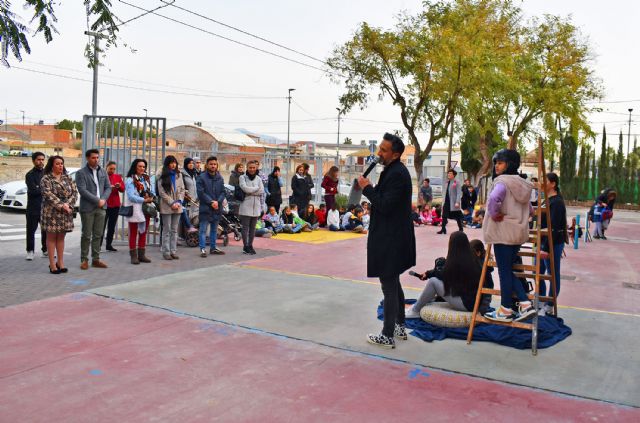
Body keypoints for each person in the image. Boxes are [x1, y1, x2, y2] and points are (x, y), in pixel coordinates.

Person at [357, 133, 416, 349]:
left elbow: (385, 205)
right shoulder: (392, 171)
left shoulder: (397, 174)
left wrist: (367, 188)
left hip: (391, 238)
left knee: (388, 285)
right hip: (393, 236)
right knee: (393, 281)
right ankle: (400, 324)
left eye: (383, 150)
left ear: (396, 154)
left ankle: (387, 334)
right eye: (379, 148)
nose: (379, 153)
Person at [483, 149, 536, 323]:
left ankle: (511, 307)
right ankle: (520, 305)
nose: (497, 166)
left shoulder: (502, 182)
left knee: (504, 272)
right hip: (518, 233)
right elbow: (531, 210)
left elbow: (493, 200)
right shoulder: (523, 184)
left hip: (503, 232)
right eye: (496, 162)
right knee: (508, 270)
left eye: (500, 162)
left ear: (509, 164)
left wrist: (494, 213)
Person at [405, 232, 492, 318]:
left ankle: (415, 310)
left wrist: (429, 274)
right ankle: (420, 305)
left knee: (433, 282)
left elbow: (443, 274)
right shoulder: (471, 259)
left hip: (467, 305)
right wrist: (429, 273)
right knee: (438, 281)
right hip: (474, 303)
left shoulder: (459, 261)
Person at [40, 156, 77, 274]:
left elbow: (75, 192)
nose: (60, 166)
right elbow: (48, 194)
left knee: (61, 237)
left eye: (62, 163)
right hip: (51, 212)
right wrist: (61, 205)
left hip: (65, 212)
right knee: (51, 238)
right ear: (52, 165)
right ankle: (52, 264)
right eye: (57, 164)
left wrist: (68, 205)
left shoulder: (68, 177)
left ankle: (60, 262)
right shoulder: (46, 179)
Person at [76, 149, 111, 270]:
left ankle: (96, 259)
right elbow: (82, 190)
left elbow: (108, 187)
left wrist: (104, 199)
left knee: (98, 234)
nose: (96, 160)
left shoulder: (103, 172)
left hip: (101, 207)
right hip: (88, 208)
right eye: (93, 158)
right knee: (86, 235)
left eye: (97, 158)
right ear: (87, 158)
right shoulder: (81, 173)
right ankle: (84, 260)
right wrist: (97, 200)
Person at [538, 173, 567, 314]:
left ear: (553, 184)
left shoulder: (557, 202)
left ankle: (550, 304)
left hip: (552, 243)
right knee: (538, 272)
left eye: (545, 181)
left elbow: (554, 228)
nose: (542, 183)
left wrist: (546, 248)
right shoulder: (546, 200)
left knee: (552, 274)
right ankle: (540, 299)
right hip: (542, 240)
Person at [124, 159, 155, 265]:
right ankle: (133, 256)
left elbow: (152, 191)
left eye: (144, 166)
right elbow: (131, 196)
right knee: (133, 233)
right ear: (135, 167)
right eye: (140, 166)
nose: (142, 168)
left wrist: (151, 196)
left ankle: (141, 255)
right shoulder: (130, 180)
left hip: (145, 208)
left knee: (143, 231)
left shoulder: (146, 179)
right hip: (135, 209)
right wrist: (144, 199)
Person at [197, 156, 226, 257]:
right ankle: (202, 249)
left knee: (214, 229)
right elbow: (201, 193)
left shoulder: (220, 177)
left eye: (215, 164)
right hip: (205, 208)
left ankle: (213, 248)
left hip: (217, 208)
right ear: (207, 165)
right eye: (211, 164)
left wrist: (218, 202)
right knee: (203, 230)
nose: (213, 166)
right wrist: (211, 202)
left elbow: (223, 191)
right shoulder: (201, 177)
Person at [157, 155, 185, 260]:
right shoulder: (161, 175)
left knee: (174, 230)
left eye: (175, 163)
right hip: (167, 206)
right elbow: (162, 192)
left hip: (178, 206)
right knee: (167, 230)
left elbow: (182, 189)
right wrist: (172, 202)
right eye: (171, 162)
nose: (173, 165)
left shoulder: (179, 175)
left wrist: (179, 201)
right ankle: (166, 252)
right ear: (167, 164)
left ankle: (173, 251)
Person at [239, 161, 265, 254]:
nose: (252, 169)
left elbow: (261, 191)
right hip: (246, 205)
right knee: (245, 227)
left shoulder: (258, 178)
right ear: (247, 167)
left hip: (256, 206)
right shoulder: (242, 177)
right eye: (250, 167)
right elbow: (245, 188)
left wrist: (251, 191)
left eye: (254, 167)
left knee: (253, 228)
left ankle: (250, 245)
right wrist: (255, 189)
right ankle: (245, 246)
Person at [25, 151, 47, 260]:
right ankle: (30, 251)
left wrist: (40, 188)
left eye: (42, 159)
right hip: (33, 208)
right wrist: (43, 189)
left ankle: (45, 250)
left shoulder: (47, 174)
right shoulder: (29, 175)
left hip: (45, 208)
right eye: (39, 159)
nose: (41, 161)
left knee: (46, 231)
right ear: (34, 161)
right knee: (30, 231)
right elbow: (33, 191)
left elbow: (49, 190)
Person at [101, 161, 124, 252]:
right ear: (106, 168)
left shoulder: (117, 177)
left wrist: (118, 186)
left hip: (115, 205)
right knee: (101, 227)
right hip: (104, 204)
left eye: (114, 169)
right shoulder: (102, 176)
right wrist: (109, 187)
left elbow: (123, 189)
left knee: (111, 226)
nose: (112, 170)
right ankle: (98, 246)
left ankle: (109, 245)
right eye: (111, 168)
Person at [438, 169, 463, 234]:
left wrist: (457, 202)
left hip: (454, 202)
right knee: (444, 215)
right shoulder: (447, 182)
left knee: (457, 216)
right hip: (446, 202)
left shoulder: (456, 182)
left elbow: (459, 193)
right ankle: (443, 229)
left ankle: (461, 228)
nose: (448, 174)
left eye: (450, 173)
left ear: (454, 175)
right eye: (448, 173)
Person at [180, 158, 198, 232]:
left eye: (192, 163)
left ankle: (189, 235)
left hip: (194, 199)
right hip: (186, 199)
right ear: (186, 164)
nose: (191, 165)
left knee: (192, 217)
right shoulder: (182, 174)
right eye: (189, 163)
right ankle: (183, 234)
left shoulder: (194, 173)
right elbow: (181, 186)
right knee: (184, 217)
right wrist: (185, 194)